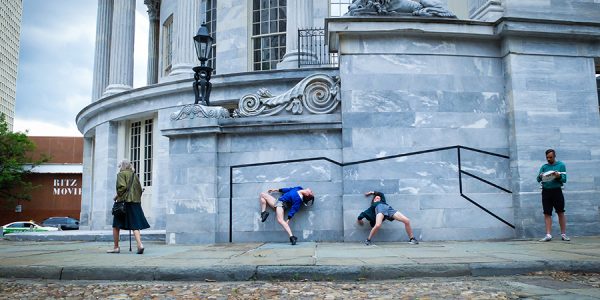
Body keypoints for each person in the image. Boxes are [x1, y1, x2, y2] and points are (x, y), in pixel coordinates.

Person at [107, 159, 150, 254]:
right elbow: (139, 189)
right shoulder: (134, 176)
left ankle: (116, 247)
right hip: (135, 202)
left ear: (122, 166)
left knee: (116, 225)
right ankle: (140, 245)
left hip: (124, 203)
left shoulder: (121, 174)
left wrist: (116, 196)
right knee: (135, 225)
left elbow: (122, 188)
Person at [536, 149, 569, 242]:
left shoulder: (561, 165)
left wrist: (558, 176)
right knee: (547, 213)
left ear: (554, 156)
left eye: (550, 157)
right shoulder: (544, 166)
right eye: (547, 157)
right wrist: (540, 176)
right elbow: (538, 179)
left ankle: (563, 234)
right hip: (546, 191)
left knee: (560, 212)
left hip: (557, 191)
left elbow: (564, 179)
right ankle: (548, 235)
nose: (549, 159)